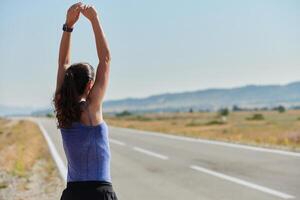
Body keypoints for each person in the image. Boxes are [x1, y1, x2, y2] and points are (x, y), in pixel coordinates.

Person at [52, 2, 118, 200]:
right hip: (99, 192)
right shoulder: (91, 109)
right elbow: (105, 59)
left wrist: (68, 26)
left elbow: (63, 62)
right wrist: (94, 20)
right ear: (90, 85)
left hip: (73, 193)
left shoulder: (61, 105)